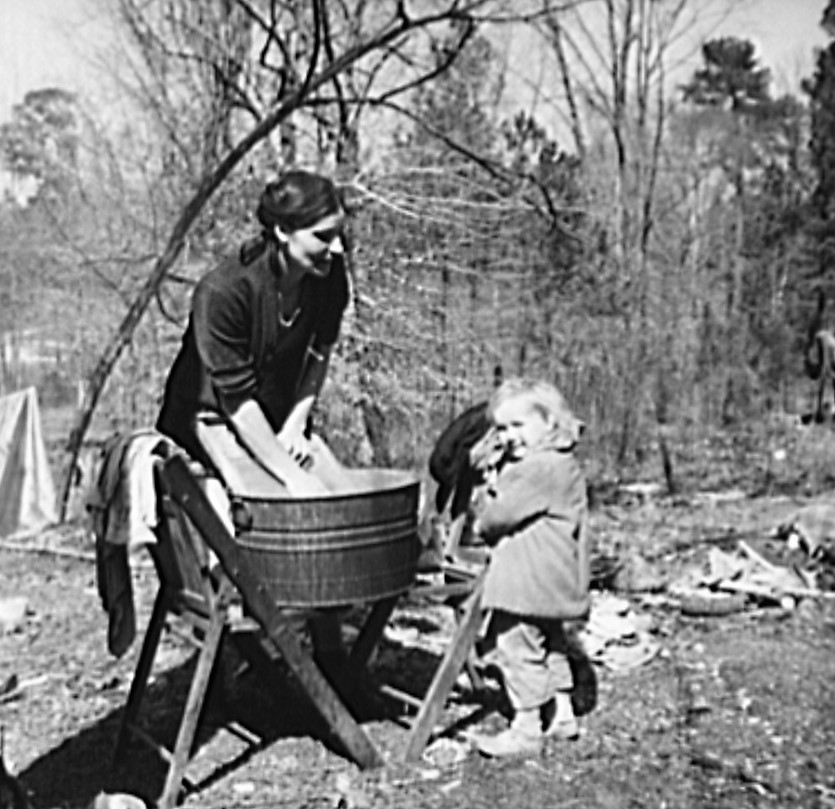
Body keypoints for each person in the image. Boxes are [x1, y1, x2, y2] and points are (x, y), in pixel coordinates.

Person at [156, 169, 350, 496]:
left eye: (340, 233)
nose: (338, 248)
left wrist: (295, 425)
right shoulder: (223, 293)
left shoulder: (329, 275)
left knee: (342, 495)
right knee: (271, 500)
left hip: (276, 417)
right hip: (212, 417)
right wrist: (292, 476)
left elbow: (321, 351)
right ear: (283, 230)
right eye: (323, 236)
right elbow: (239, 405)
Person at [469, 377, 590, 758]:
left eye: (518, 426)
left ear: (550, 422)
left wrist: (484, 500)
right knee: (550, 643)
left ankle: (526, 727)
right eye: (502, 428)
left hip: (527, 582)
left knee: (516, 648)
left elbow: (496, 518)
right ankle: (563, 713)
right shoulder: (562, 463)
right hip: (554, 581)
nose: (508, 437)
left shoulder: (536, 469)